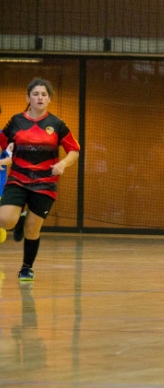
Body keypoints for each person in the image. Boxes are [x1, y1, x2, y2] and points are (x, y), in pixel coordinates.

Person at [0, 78, 81, 282]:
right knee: (5, 219)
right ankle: (18, 218)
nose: (39, 97)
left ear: (49, 99)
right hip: (18, 178)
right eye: (35, 94)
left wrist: (63, 164)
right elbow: (1, 142)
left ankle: (27, 268)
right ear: (28, 97)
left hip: (45, 183)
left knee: (32, 228)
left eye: (44, 94)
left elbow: (74, 150)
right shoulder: (16, 121)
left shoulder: (57, 124)